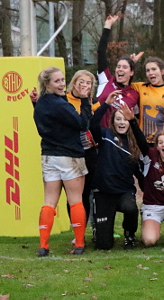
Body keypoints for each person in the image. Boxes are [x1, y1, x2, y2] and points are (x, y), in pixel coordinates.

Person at [32, 67, 91, 256]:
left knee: (49, 201)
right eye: (57, 81)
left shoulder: (40, 104)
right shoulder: (60, 104)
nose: (62, 84)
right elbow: (82, 124)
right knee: (75, 200)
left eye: (62, 80)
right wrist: (84, 99)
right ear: (47, 84)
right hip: (70, 156)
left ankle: (43, 246)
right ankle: (79, 244)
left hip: (49, 156)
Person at [90, 93, 145, 250]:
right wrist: (106, 104)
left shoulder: (135, 145)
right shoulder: (105, 135)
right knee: (103, 245)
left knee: (130, 208)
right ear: (113, 122)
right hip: (103, 192)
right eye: (118, 119)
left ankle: (129, 235)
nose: (122, 122)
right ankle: (99, 231)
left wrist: (148, 192)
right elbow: (93, 124)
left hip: (123, 192)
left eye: (125, 120)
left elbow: (140, 174)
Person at [65, 70, 99, 241]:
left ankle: (93, 229)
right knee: (72, 194)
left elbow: (97, 127)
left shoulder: (95, 103)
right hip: (69, 152)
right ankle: (77, 232)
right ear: (74, 82)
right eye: (82, 81)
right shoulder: (63, 100)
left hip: (90, 153)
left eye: (88, 83)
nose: (85, 85)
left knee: (89, 193)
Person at [95, 15, 140, 127]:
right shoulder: (105, 79)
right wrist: (107, 26)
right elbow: (101, 52)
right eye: (118, 66)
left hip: (118, 139)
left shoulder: (135, 94)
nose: (120, 69)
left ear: (132, 72)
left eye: (125, 67)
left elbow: (138, 117)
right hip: (98, 134)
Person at [131, 57, 164, 143]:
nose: (151, 73)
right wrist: (131, 63)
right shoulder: (140, 87)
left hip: (163, 141)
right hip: (142, 140)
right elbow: (122, 82)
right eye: (148, 70)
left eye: (154, 69)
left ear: (162, 71)